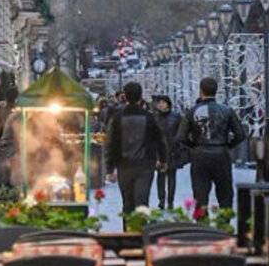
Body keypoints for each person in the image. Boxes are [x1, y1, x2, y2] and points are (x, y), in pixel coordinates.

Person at [181, 76, 246, 208]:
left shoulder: (192, 111)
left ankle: (202, 219)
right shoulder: (227, 110)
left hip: (200, 155)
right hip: (221, 154)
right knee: (225, 195)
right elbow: (240, 134)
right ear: (216, 91)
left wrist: (194, 146)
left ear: (201, 91)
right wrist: (228, 145)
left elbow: (181, 137)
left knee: (200, 196)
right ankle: (225, 218)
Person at [105, 82, 169, 214]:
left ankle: (127, 226)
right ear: (141, 96)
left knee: (127, 203)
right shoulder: (149, 117)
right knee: (142, 202)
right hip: (145, 165)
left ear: (125, 96)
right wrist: (163, 160)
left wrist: (110, 168)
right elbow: (159, 140)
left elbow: (111, 143)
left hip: (124, 165)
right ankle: (141, 226)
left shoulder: (117, 118)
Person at [153, 95, 186, 208]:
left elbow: (181, 133)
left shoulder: (176, 117)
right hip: (158, 151)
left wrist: (178, 146)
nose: (160, 105)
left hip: (173, 150)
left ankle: (171, 200)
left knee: (172, 176)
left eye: (163, 102)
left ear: (168, 104)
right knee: (160, 176)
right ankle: (161, 200)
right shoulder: (154, 117)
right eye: (159, 103)